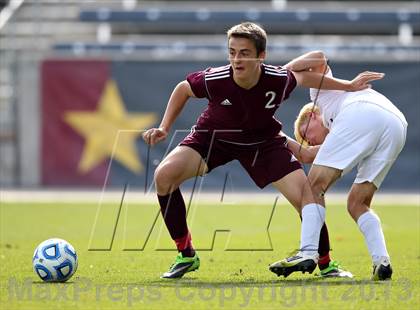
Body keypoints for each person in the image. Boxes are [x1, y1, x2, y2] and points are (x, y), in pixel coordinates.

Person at [142, 23, 381, 279]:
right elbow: (183, 89)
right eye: (232, 52)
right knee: (163, 177)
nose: (236, 59)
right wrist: (164, 127)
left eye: (244, 53)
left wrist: (348, 86)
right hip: (214, 137)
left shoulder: (277, 79)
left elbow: (306, 78)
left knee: (308, 197)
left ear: (261, 56)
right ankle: (186, 254)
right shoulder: (216, 79)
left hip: (263, 142)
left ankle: (325, 263)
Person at [269, 51, 407, 280]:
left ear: (312, 116)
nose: (311, 141)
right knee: (358, 203)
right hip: (396, 123)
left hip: (362, 112)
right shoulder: (338, 128)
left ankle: (308, 252)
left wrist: (277, 77)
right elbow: (307, 155)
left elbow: (319, 57)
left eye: (306, 134)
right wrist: (274, 133)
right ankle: (381, 261)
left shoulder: (320, 96)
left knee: (312, 187)